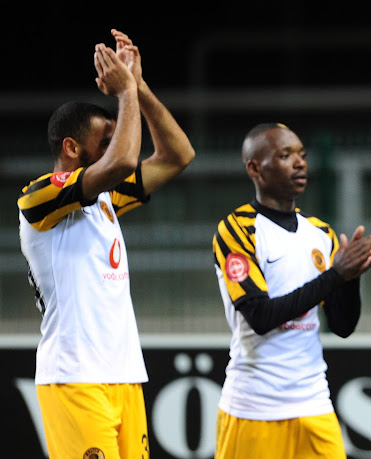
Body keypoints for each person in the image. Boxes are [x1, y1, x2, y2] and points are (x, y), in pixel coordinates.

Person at [17, 29, 195, 458]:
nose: (117, 142)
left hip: (124, 374)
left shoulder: (105, 201)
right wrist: (125, 95)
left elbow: (177, 155)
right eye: (106, 139)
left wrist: (141, 89)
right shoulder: (38, 198)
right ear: (72, 148)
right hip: (74, 379)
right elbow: (123, 161)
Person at [211, 122, 371, 458]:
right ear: (254, 168)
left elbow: (342, 326)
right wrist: (336, 274)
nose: (300, 162)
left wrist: (352, 276)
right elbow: (260, 316)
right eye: (285, 155)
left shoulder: (320, 233)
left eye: (302, 155)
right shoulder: (236, 230)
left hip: (313, 402)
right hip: (254, 407)